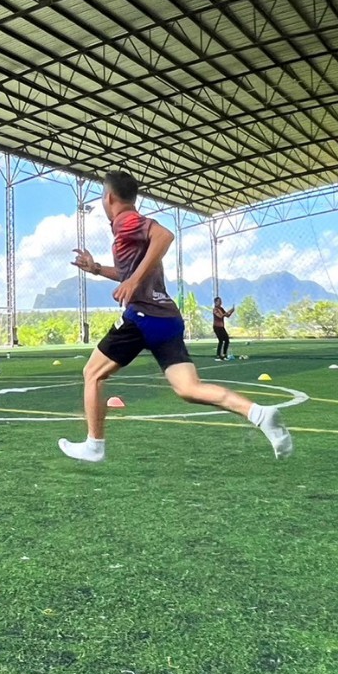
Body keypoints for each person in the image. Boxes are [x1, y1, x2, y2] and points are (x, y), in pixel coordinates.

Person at [59, 171, 292, 463]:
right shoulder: (127, 231)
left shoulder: (125, 221)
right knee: (189, 389)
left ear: (109, 197)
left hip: (142, 316)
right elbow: (126, 272)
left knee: (92, 373)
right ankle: (259, 414)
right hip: (166, 318)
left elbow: (164, 236)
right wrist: (96, 269)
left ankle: (94, 445)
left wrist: (133, 282)